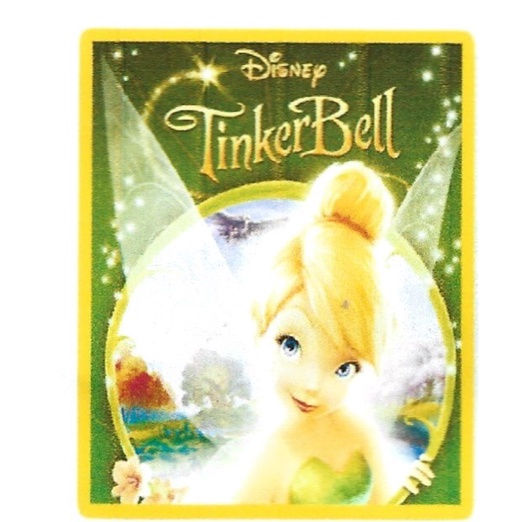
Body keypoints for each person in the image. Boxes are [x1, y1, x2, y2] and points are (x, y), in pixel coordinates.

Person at [233, 161, 432, 504]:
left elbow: (383, 505)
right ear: (263, 326)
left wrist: (414, 495)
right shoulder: (275, 450)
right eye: (290, 345)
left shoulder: (362, 434)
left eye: (344, 368)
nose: (312, 385)